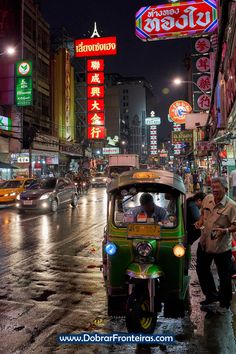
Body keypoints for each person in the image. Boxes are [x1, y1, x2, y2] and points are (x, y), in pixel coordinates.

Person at [195, 177, 236, 314]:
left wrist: (225, 231)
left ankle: (225, 302)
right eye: (213, 187)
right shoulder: (207, 199)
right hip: (205, 243)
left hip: (221, 247)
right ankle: (211, 295)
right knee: (201, 269)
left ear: (225, 189)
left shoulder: (231, 206)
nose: (215, 190)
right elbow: (202, 214)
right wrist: (200, 221)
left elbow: (235, 225)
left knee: (224, 276)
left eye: (218, 187)